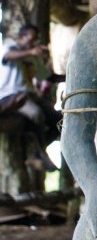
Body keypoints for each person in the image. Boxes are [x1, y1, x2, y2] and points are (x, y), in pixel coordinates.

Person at [0, 24, 61, 170]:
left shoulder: (32, 55)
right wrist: (32, 52)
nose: (34, 42)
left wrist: (71, 77)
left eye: (36, 40)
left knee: (60, 121)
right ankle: (41, 155)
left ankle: (36, 152)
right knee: (36, 114)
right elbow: (8, 56)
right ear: (22, 37)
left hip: (30, 94)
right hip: (10, 96)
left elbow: (48, 77)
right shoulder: (9, 47)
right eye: (32, 39)